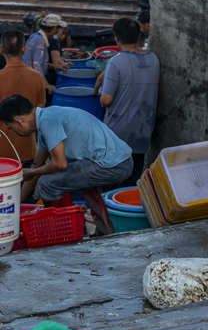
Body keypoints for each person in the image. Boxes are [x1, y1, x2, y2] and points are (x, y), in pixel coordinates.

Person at [0, 95, 133, 235]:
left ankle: (66, 233)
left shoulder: (48, 121)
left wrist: (32, 173)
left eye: (12, 128)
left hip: (114, 165)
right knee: (79, 179)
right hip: (119, 161)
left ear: (18, 121)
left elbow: (59, 164)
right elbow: (35, 169)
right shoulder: (47, 117)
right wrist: (14, 206)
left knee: (46, 184)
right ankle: (105, 230)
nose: (14, 132)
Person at [100, 17, 159, 189]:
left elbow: (106, 100)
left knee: (111, 183)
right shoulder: (153, 59)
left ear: (116, 38)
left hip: (117, 133)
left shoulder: (116, 62)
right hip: (142, 131)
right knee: (131, 183)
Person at [0, 30, 46, 167]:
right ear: (24, 49)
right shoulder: (36, 77)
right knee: (26, 185)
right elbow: (40, 112)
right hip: (27, 150)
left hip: (2, 150)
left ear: (1, 50)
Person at [22, 13, 69, 94]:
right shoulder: (40, 42)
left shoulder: (35, 36)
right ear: (54, 28)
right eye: (58, 28)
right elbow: (37, 67)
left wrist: (56, 66)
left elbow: (38, 62)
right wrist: (47, 85)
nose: (58, 31)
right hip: (30, 81)